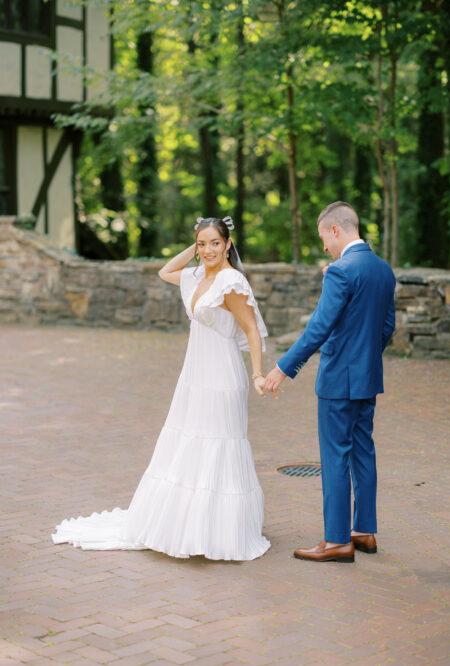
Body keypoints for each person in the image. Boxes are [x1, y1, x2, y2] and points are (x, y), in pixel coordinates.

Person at [51, 216, 271, 561]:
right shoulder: (198, 275)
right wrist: (196, 247)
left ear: (228, 244)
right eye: (203, 244)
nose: (208, 250)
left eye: (216, 243)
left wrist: (258, 374)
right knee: (189, 440)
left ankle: (218, 530)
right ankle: (190, 524)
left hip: (221, 375)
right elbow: (165, 271)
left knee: (218, 443)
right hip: (195, 374)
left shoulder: (230, 282)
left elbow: (251, 330)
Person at [264, 202, 396, 563]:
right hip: (368, 377)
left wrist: (281, 368)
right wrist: (364, 357)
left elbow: (319, 329)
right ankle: (364, 531)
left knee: (335, 456)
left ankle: (337, 540)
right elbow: (386, 328)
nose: (324, 246)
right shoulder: (383, 270)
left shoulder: (340, 272)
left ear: (336, 230)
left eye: (323, 237)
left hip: (338, 380)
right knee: (362, 452)